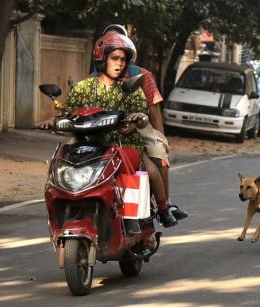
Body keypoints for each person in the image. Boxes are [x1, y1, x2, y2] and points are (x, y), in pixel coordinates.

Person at [40, 33, 177, 230]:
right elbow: (70, 112)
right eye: (115, 58)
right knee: (60, 161)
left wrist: (137, 119)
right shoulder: (84, 87)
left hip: (122, 144)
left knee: (153, 171)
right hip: (88, 143)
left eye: (123, 59)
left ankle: (161, 209)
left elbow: (143, 112)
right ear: (102, 59)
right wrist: (51, 121)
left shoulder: (131, 87)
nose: (119, 63)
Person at [98, 24, 188, 221]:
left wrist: (160, 139)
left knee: (157, 154)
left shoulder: (142, 75)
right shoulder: (93, 79)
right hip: (102, 128)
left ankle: (165, 205)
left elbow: (154, 111)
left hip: (138, 126)